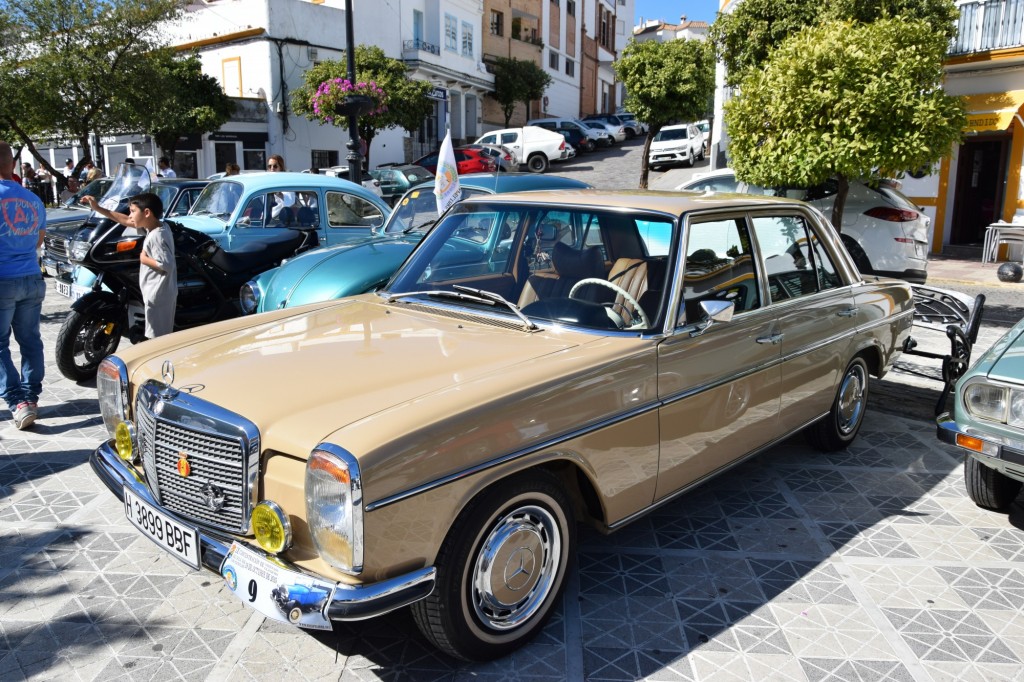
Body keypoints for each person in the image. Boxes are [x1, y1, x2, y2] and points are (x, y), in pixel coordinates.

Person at [82, 192, 176, 339]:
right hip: (158, 293)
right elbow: (126, 220)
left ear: (146, 212)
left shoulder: (157, 235)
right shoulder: (157, 226)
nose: (130, 216)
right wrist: (98, 208)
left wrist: (143, 258)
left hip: (158, 295)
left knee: (157, 338)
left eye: (133, 211)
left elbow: (166, 265)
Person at [0, 141, 46, 430]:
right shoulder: (33, 198)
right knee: (30, 340)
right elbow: (39, 240)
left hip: (3, 280)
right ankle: (30, 397)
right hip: (32, 276)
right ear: (12, 164)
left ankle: (17, 401)